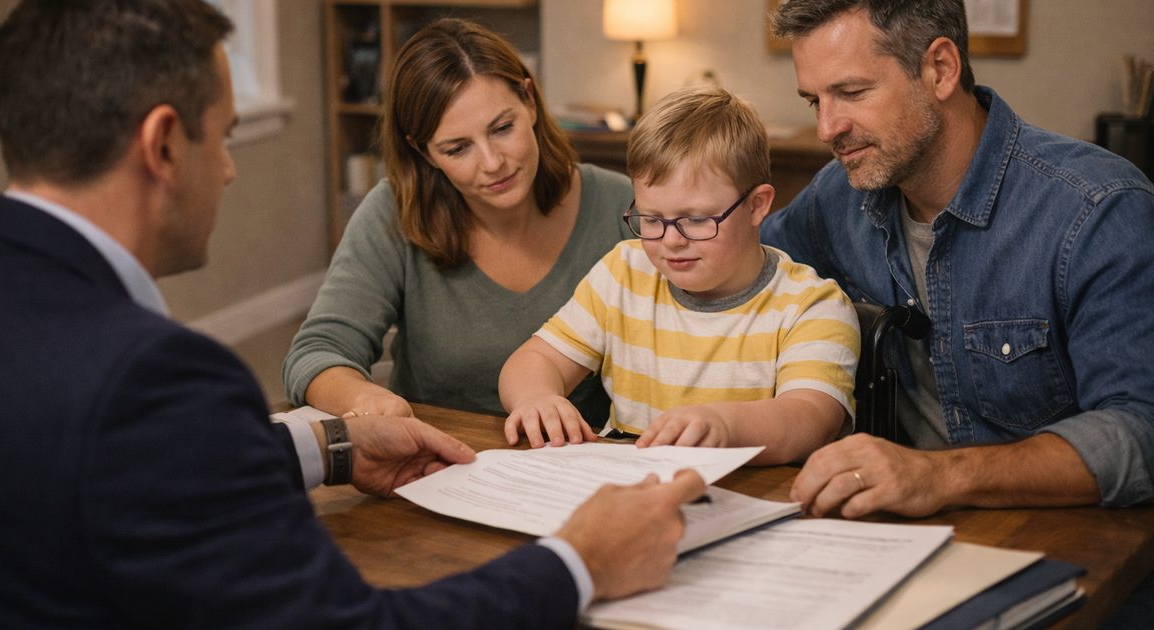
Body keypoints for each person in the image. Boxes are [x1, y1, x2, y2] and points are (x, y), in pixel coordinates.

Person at [0, 2, 707, 627]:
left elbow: (137, 475)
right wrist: (582, 563)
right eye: (221, 136)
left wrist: (333, 447)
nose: (229, 167)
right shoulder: (156, 377)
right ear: (161, 145)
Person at [760, 0, 1154, 521]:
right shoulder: (838, 196)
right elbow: (742, 272)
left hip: (1064, 545)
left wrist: (937, 475)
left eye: (852, 93)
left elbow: (1140, 430)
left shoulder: (1097, 208)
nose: (827, 129)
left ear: (940, 69)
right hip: (889, 534)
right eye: (815, 101)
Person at [283, 18, 632, 424]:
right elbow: (316, 352)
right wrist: (368, 400)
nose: (492, 163)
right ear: (424, 152)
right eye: (457, 148)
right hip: (439, 467)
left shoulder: (620, 205)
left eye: (502, 128)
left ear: (530, 101)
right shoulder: (393, 213)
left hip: (583, 466)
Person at [498, 85, 860, 462]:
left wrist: (722, 425)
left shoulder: (811, 306)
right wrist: (536, 397)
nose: (670, 241)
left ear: (757, 206)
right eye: (652, 219)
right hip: (623, 491)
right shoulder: (624, 272)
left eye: (697, 219)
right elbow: (533, 360)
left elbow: (809, 419)